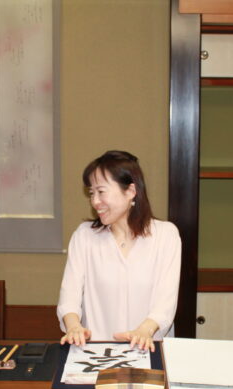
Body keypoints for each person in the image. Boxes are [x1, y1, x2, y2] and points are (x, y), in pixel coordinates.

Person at [57, 150, 181, 351]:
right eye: (91, 193)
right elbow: (69, 296)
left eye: (101, 191)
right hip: (95, 352)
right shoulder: (84, 236)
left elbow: (165, 302)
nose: (95, 201)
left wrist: (144, 331)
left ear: (131, 191)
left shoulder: (166, 235)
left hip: (147, 350)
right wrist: (74, 327)